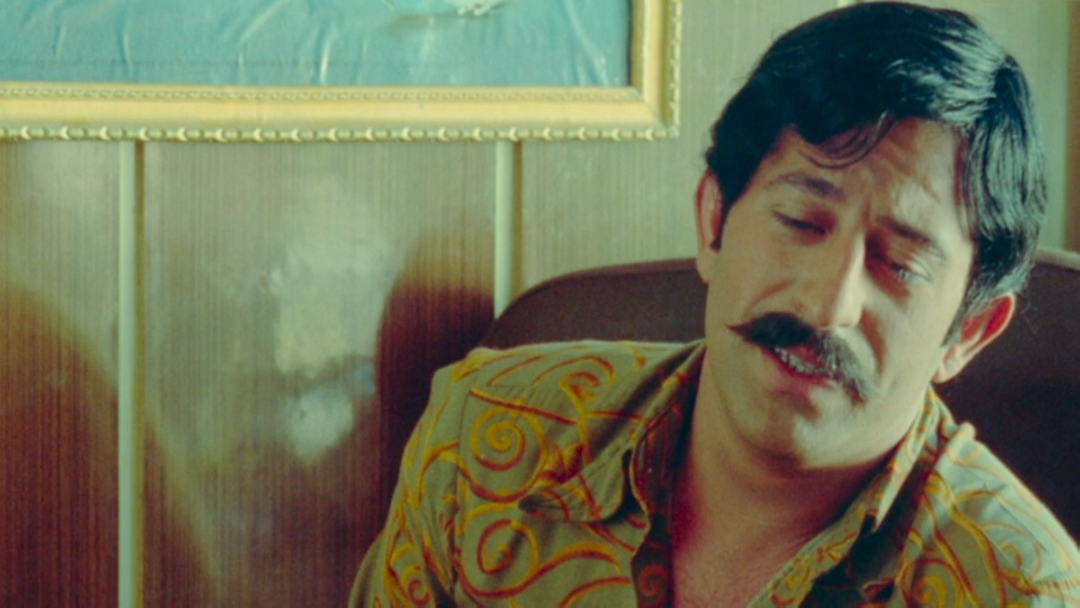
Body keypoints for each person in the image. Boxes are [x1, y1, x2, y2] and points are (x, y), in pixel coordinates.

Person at [350, 2, 1080, 606]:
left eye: (898, 264)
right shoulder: (482, 444)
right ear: (712, 221)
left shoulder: (1020, 592)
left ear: (969, 331)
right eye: (800, 221)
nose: (826, 306)